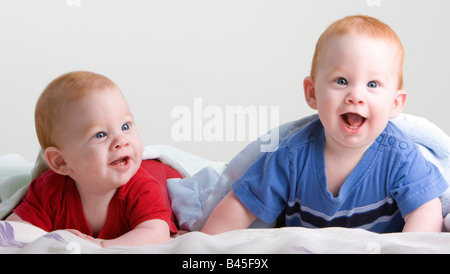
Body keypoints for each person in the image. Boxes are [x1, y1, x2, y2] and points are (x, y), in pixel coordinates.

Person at [201, 15, 448, 234]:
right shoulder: (291, 157)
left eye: (372, 84)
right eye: (341, 80)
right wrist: (205, 246)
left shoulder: (400, 156)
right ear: (312, 93)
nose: (356, 95)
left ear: (395, 103)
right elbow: (241, 204)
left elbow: (426, 209)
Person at [6, 71, 182, 247]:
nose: (122, 141)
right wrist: (53, 238)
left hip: (162, 174)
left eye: (125, 126)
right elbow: (15, 229)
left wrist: (102, 247)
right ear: (61, 161)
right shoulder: (49, 191)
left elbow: (157, 233)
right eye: (100, 134)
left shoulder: (141, 188)